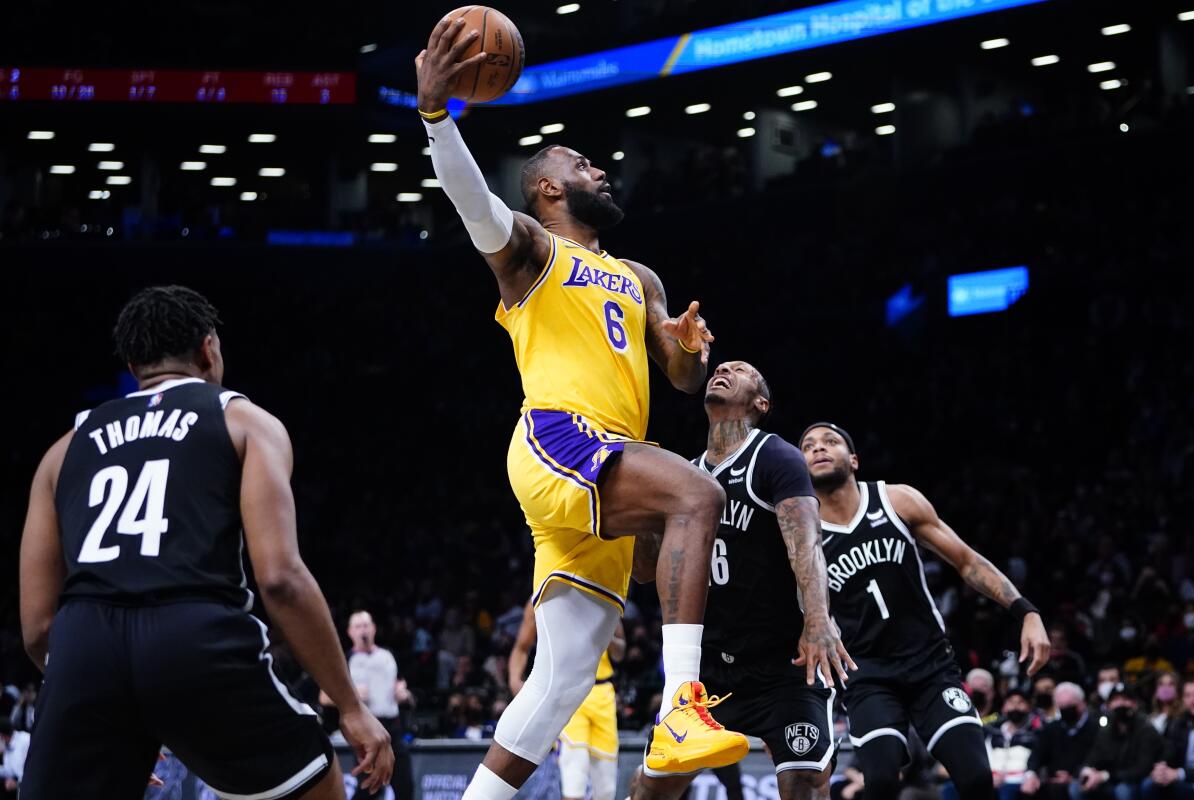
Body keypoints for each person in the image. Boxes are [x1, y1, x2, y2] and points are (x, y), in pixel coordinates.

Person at [414, 15, 747, 800]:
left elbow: (681, 384)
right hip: (562, 438)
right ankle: (678, 710)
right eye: (583, 164)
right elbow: (473, 209)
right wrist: (436, 120)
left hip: (609, 464)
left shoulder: (638, 276)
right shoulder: (532, 249)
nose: (602, 171)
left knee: (560, 683)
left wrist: (689, 354)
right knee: (698, 495)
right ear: (548, 187)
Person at [17, 286, 393, 799]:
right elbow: (280, 578)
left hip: (85, 646)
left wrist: (117, 711)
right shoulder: (243, 420)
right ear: (209, 348)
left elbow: (38, 626)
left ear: (133, 364)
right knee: (315, 780)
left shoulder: (63, 450)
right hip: (192, 634)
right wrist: (350, 706)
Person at [631, 362, 854, 800]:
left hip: (781, 665)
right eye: (721, 366)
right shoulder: (682, 476)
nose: (724, 369)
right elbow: (643, 571)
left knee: (805, 783)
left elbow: (806, 544)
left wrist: (817, 618)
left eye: (741, 370)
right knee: (650, 790)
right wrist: (642, 514)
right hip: (709, 669)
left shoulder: (774, 456)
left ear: (760, 403)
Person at [799, 422, 1052, 800]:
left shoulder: (897, 500)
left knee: (976, 779)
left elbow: (966, 562)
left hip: (930, 666)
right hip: (866, 674)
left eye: (830, 442)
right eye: (807, 446)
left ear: (853, 460)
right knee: (881, 782)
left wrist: (1026, 611)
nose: (818, 449)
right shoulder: (802, 534)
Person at [509, 600, 625, 800]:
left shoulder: (607, 594)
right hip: (569, 691)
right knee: (574, 780)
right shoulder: (544, 595)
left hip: (603, 694)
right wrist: (515, 682)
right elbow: (521, 647)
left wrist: (607, 635)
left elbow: (620, 652)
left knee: (606, 789)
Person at [347, 610, 416, 800]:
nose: (363, 630)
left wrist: (404, 694)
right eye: (358, 626)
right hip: (366, 731)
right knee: (368, 788)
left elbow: (403, 688)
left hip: (393, 728)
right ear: (350, 632)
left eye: (366, 625)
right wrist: (351, 695)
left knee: (405, 786)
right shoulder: (347, 660)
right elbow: (325, 697)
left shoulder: (387, 656)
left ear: (374, 628)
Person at [1077, 683, 1163, 799]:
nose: (1121, 704)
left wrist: (1105, 776)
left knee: (1123, 790)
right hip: (1111, 778)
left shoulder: (1145, 728)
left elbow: (1142, 768)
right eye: (1116, 700)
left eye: (1125, 699)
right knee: (1076, 786)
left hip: (1136, 780)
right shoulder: (1106, 730)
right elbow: (1093, 757)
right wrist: (1087, 772)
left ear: (1135, 704)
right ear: (1109, 705)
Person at [1023, 682, 1100, 800]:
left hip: (1084, 778)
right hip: (1054, 780)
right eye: (1061, 707)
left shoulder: (1095, 728)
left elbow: (1097, 758)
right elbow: (1036, 756)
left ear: (1082, 704)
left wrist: (1075, 775)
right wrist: (1031, 775)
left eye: (1069, 706)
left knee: (1076, 789)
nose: (1065, 711)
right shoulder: (1050, 728)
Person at [1143, 676, 1194, 799]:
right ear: (1182, 698)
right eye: (1188, 695)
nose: (1192, 700)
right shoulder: (1178, 724)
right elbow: (1169, 751)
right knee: (1150, 785)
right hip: (1185, 783)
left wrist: (1179, 774)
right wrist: (1161, 769)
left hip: (1190, 778)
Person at [978, 689, 1040, 800]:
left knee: (1007, 790)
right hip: (992, 778)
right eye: (1011, 702)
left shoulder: (1035, 733)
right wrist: (991, 776)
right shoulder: (992, 731)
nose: (1015, 707)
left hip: (1020, 780)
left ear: (1029, 707)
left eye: (1020, 702)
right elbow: (983, 757)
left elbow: (1037, 760)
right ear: (1004, 707)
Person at [0, 719, 30, 796]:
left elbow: (34, 772)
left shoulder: (25, 740)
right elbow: (9, 771)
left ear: (2, 736)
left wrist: (17, 784)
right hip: (22, 790)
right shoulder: (7, 747)